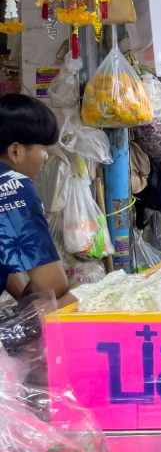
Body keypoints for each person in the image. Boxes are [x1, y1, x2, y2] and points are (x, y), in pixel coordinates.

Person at [0, 94, 74, 306]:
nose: (46, 157)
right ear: (16, 151)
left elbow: (6, 252)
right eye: (43, 148)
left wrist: (23, 300)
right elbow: (52, 286)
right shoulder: (11, 186)